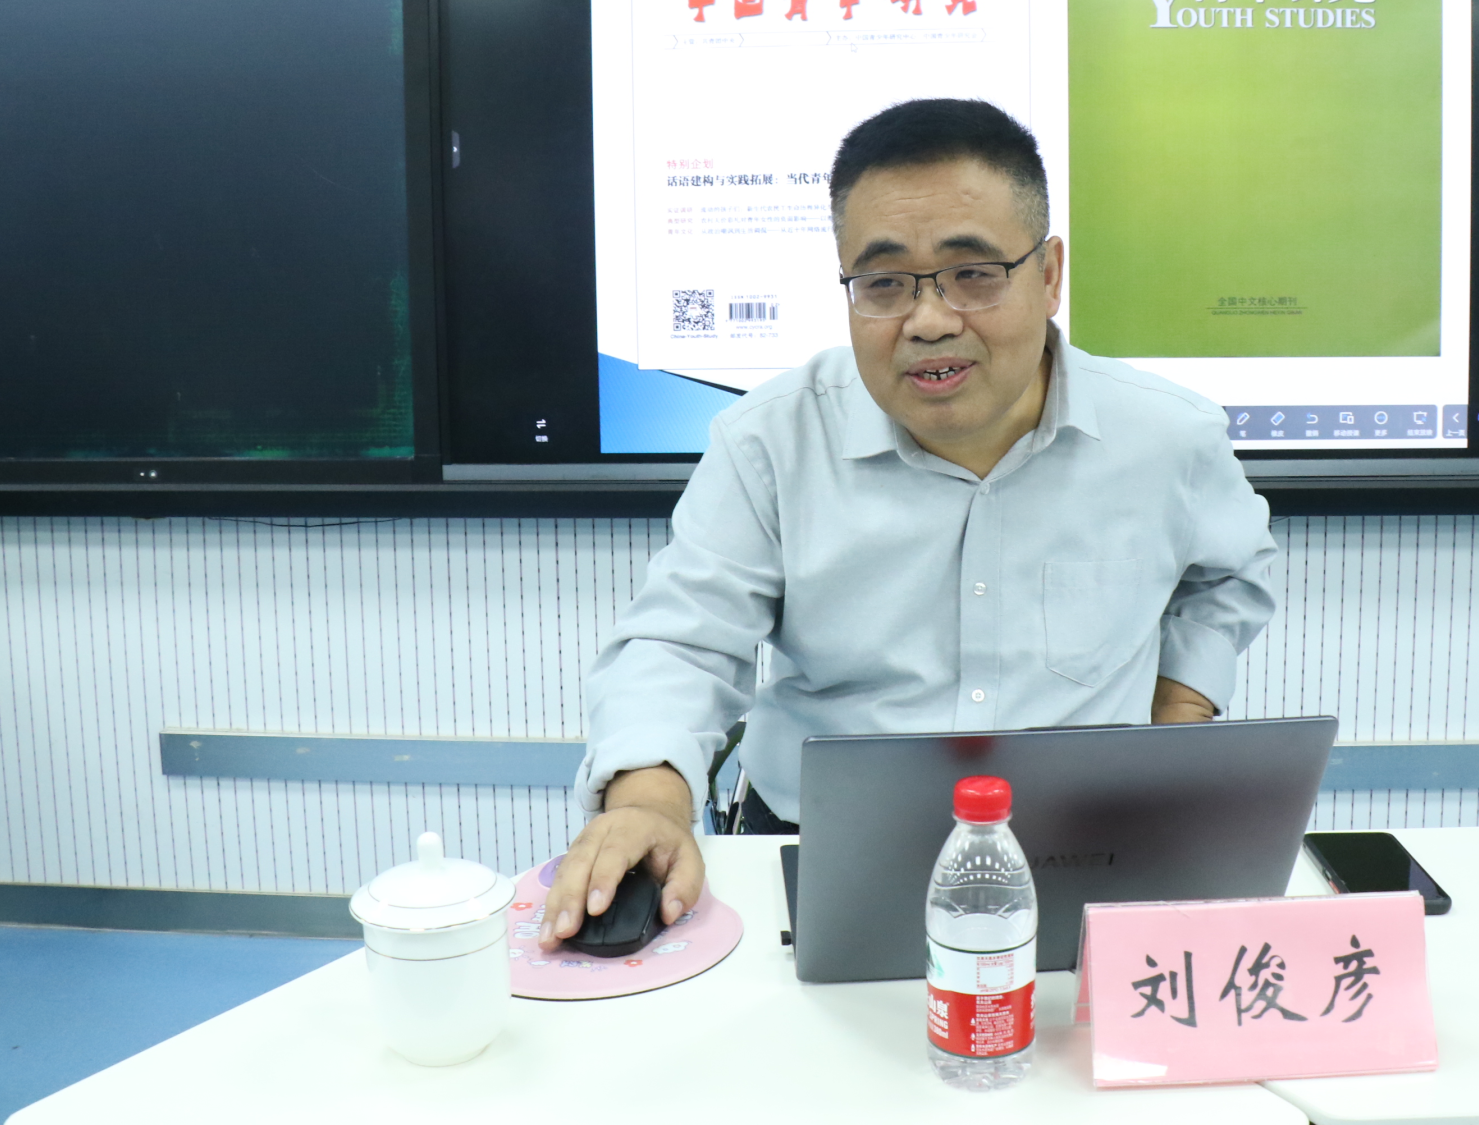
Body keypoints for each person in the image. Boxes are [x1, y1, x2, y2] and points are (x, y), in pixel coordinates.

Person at [541, 99, 1277, 947]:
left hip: (1084, 847)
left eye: (974, 273)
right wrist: (648, 803)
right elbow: (681, 642)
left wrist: (1177, 720)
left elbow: (1228, 576)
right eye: (885, 284)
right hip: (819, 848)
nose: (929, 321)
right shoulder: (772, 440)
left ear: (1049, 275)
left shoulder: (1167, 436)